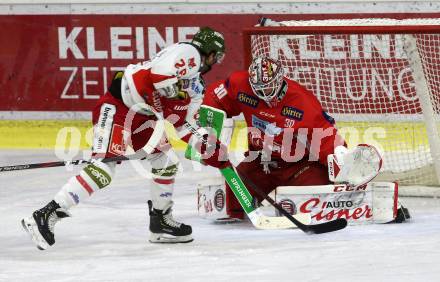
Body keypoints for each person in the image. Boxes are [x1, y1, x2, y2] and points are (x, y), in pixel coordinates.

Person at [21, 27, 226, 249]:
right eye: (218, 56)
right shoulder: (189, 52)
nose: (216, 61)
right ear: (212, 53)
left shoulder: (196, 86)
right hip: (118, 107)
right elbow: (158, 75)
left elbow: (183, 125)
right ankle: (46, 214)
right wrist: (170, 94)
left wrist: (205, 143)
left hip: (142, 118)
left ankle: (160, 220)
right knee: (103, 171)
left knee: (166, 162)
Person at [195, 56, 347, 220]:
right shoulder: (240, 84)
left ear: (280, 79)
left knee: (317, 201)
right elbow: (214, 97)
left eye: (267, 87)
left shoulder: (302, 102)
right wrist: (207, 131)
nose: (263, 93)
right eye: (258, 88)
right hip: (260, 161)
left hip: (299, 166)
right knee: (233, 203)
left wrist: (343, 169)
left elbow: (326, 137)